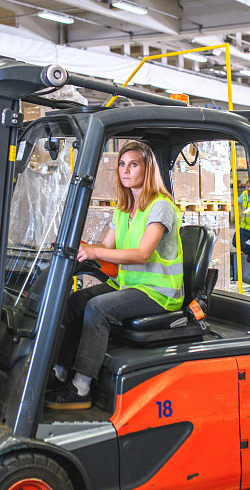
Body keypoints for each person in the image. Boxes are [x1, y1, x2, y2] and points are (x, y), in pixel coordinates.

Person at [45, 140, 184, 409]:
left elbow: (142, 253)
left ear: (148, 168)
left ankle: (81, 387)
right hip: (129, 285)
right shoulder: (123, 208)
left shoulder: (160, 206)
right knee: (75, 303)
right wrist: (77, 248)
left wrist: (96, 253)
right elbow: (106, 248)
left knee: (98, 308)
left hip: (159, 292)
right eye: (122, 164)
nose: (125, 170)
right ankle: (59, 372)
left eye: (133, 164)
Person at [233, 180, 250, 284]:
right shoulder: (244, 194)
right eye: (247, 186)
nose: (248, 189)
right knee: (236, 242)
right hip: (244, 227)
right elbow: (237, 202)